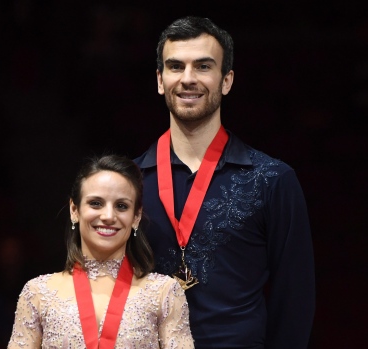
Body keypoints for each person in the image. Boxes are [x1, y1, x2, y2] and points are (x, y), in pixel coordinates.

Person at [134, 16, 315, 348]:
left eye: (203, 67)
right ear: (160, 80)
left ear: (226, 80)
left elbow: (295, 300)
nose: (188, 79)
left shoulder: (273, 180)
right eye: (175, 67)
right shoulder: (128, 185)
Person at [7, 154, 194, 348]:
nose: (108, 216)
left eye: (121, 206)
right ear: (74, 210)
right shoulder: (37, 293)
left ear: (136, 216)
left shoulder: (164, 293)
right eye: (96, 203)